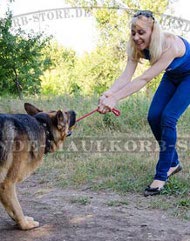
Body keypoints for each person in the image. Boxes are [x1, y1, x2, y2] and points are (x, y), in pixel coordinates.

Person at [97, 10, 189, 196]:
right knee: (154, 116)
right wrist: (109, 94)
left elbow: (143, 79)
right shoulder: (135, 47)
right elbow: (127, 76)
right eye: (133, 32)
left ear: (153, 31)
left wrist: (116, 99)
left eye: (141, 32)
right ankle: (173, 163)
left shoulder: (169, 45)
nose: (136, 37)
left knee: (168, 118)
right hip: (172, 76)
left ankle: (161, 175)